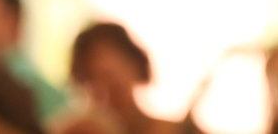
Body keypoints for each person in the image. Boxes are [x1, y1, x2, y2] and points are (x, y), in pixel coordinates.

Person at [55, 21, 187, 134]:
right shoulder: (77, 130)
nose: (106, 92)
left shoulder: (176, 130)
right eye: (93, 82)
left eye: (111, 77)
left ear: (136, 66)